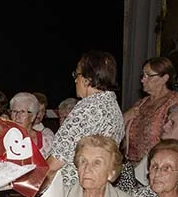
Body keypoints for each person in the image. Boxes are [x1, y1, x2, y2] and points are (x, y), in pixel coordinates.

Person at [47, 51, 125, 188]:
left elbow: (55, 162)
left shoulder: (87, 109)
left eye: (77, 75)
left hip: (70, 192)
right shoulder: (114, 108)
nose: (75, 80)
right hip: (97, 186)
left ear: (87, 79)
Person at [123, 57, 178, 163]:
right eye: (143, 75)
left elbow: (177, 137)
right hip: (133, 166)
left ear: (165, 78)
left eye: (149, 76)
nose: (143, 80)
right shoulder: (141, 103)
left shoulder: (174, 100)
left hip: (157, 164)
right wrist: (124, 118)